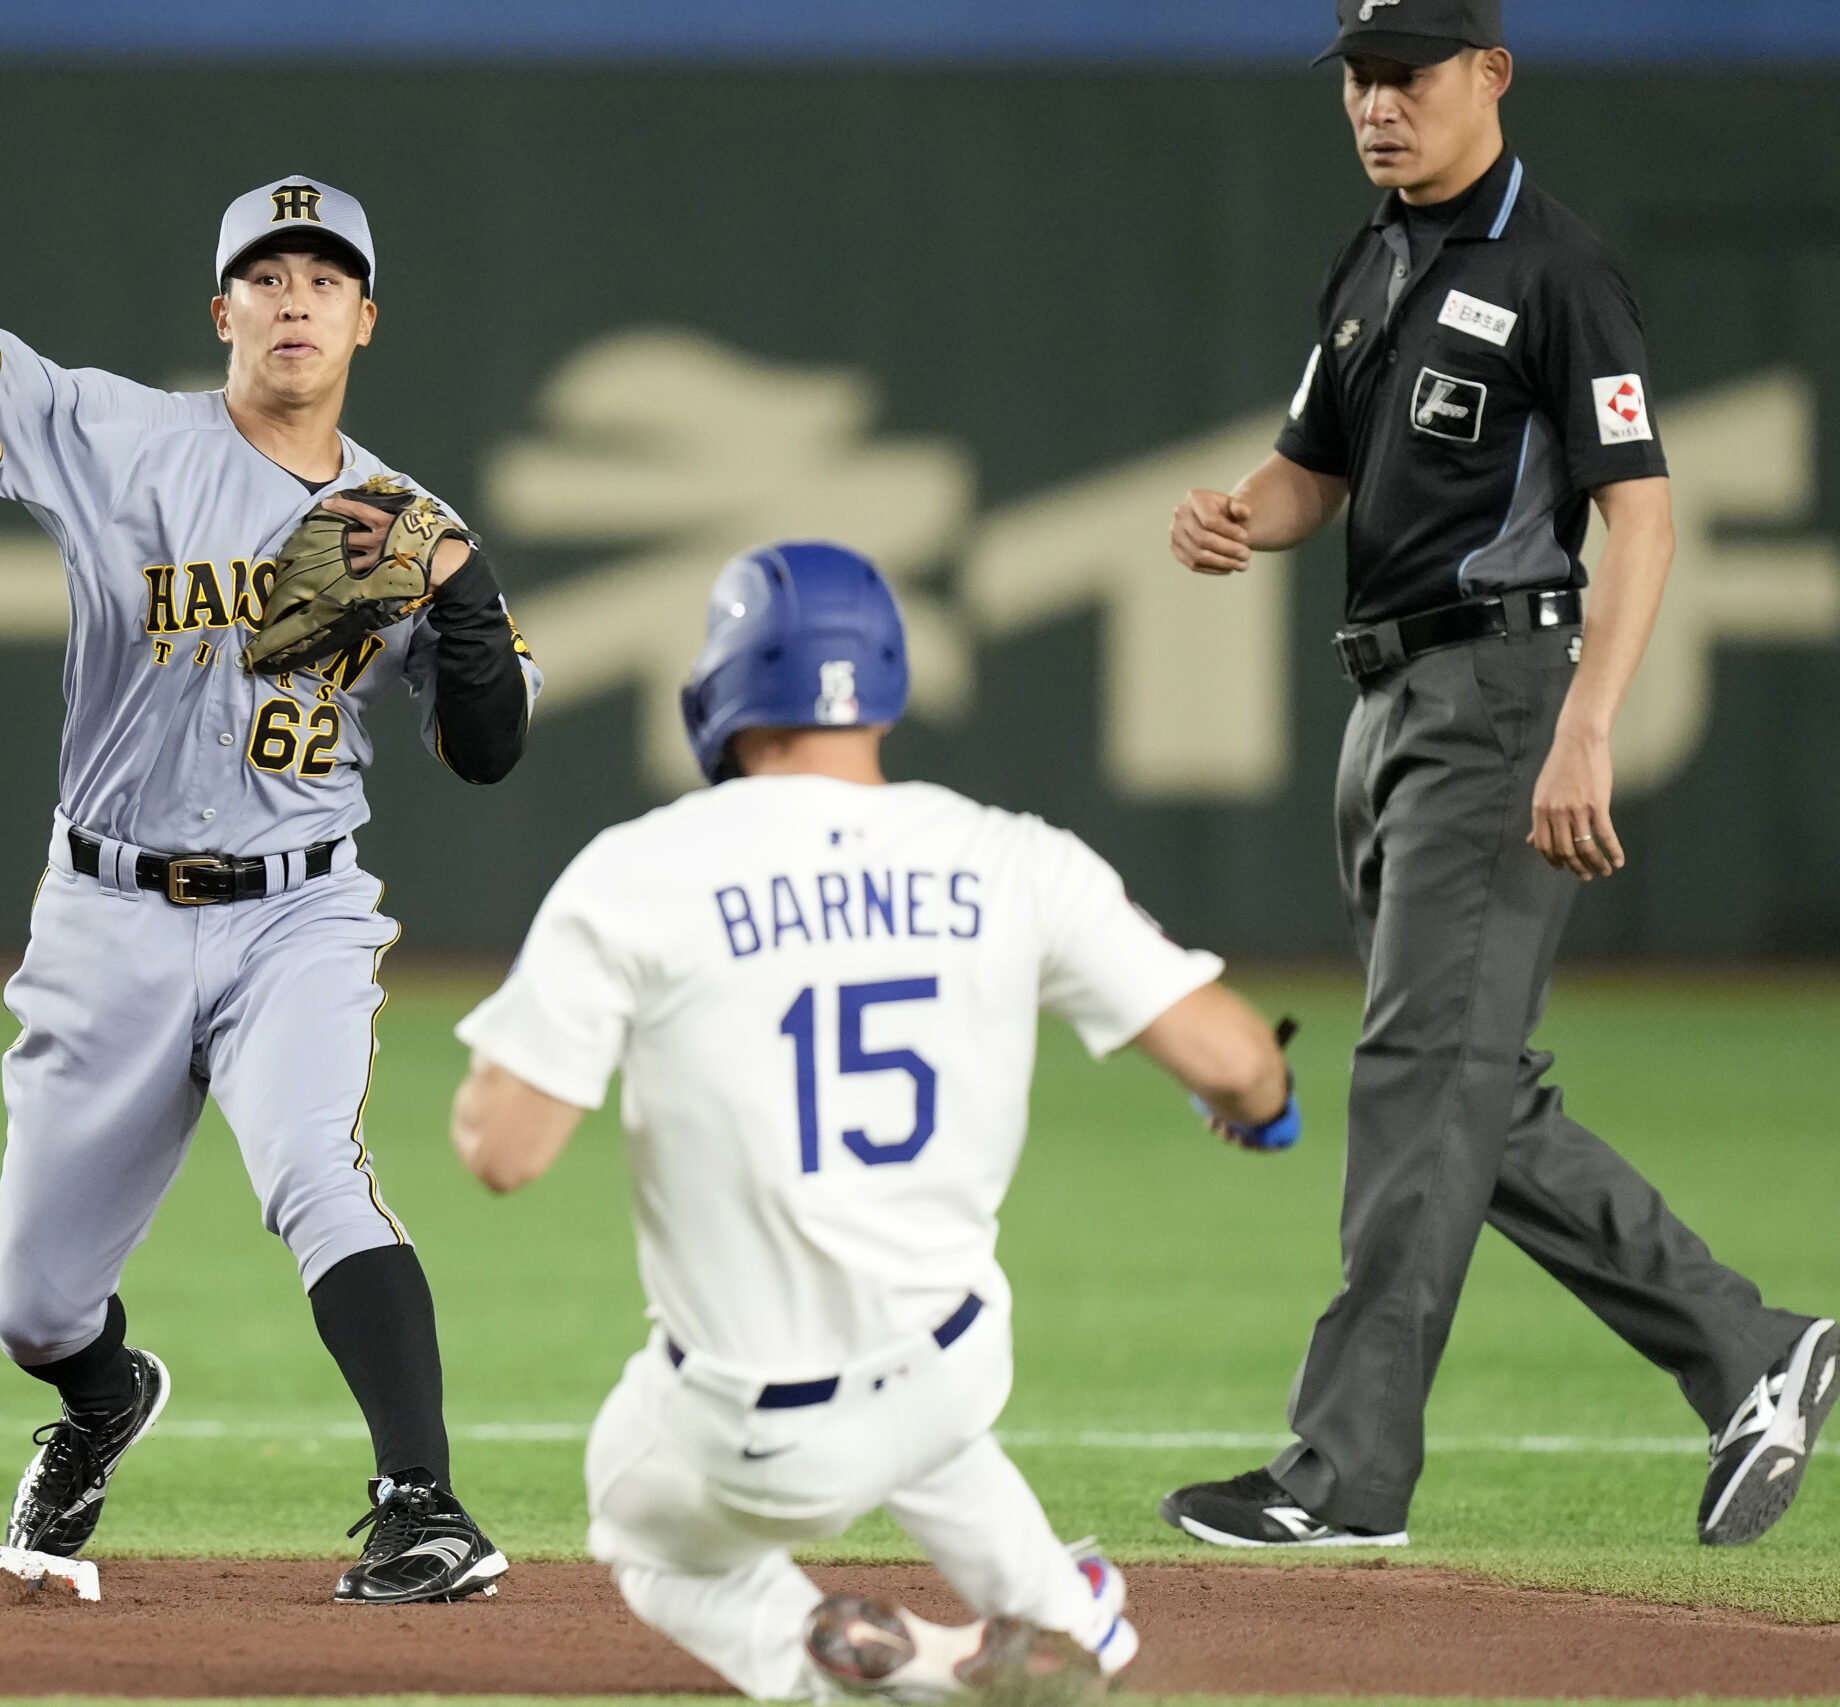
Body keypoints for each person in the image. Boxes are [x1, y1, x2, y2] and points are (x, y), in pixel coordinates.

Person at [1161, 0, 1840, 1551]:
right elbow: (1312, 470)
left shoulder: (1560, 265)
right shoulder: (1374, 256)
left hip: (1501, 692)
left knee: (1419, 1081)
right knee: (1466, 1092)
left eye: (1408, 74)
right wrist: (1239, 517)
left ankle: (1344, 1474)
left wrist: (1589, 722)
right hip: (1388, 698)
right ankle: (1749, 1347)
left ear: (1491, 74)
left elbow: (1645, 514)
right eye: (1359, 78)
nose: (1378, 105)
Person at [0, 174, 538, 1602]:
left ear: (364, 320)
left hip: (299, 909)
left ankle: (426, 1505)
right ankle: (101, 1398)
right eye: (268, 277)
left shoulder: (401, 521)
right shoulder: (126, 440)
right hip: (108, 912)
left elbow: (488, 748)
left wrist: (463, 605)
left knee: (315, 1174)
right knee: (34, 1298)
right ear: (223, 311)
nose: (295, 298)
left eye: (324, 278)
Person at [447, 541, 1297, 1700]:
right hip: (953, 1360)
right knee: (932, 1420)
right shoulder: (1011, 857)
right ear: (886, 683)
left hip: (753, 1428)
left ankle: (910, 1671)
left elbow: (505, 1152)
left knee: (641, 1531)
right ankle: (1061, 1623)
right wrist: (1260, 1113)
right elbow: (1242, 1063)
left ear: (720, 689)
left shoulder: (642, 870)